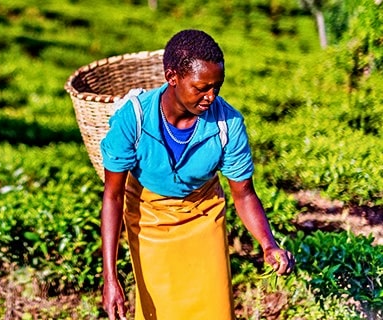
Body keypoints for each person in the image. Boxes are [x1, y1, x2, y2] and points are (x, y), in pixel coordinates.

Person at [99, 29, 295, 320]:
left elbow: (244, 194)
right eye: (201, 87)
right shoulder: (134, 119)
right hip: (148, 217)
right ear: (172, 77)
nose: (210, 97)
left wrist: (268, 244)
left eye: (217, 87)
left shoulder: (228, 124)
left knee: (213, 309)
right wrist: (110, 278)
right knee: (158, 309)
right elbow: (113, 196)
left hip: (204, 217)